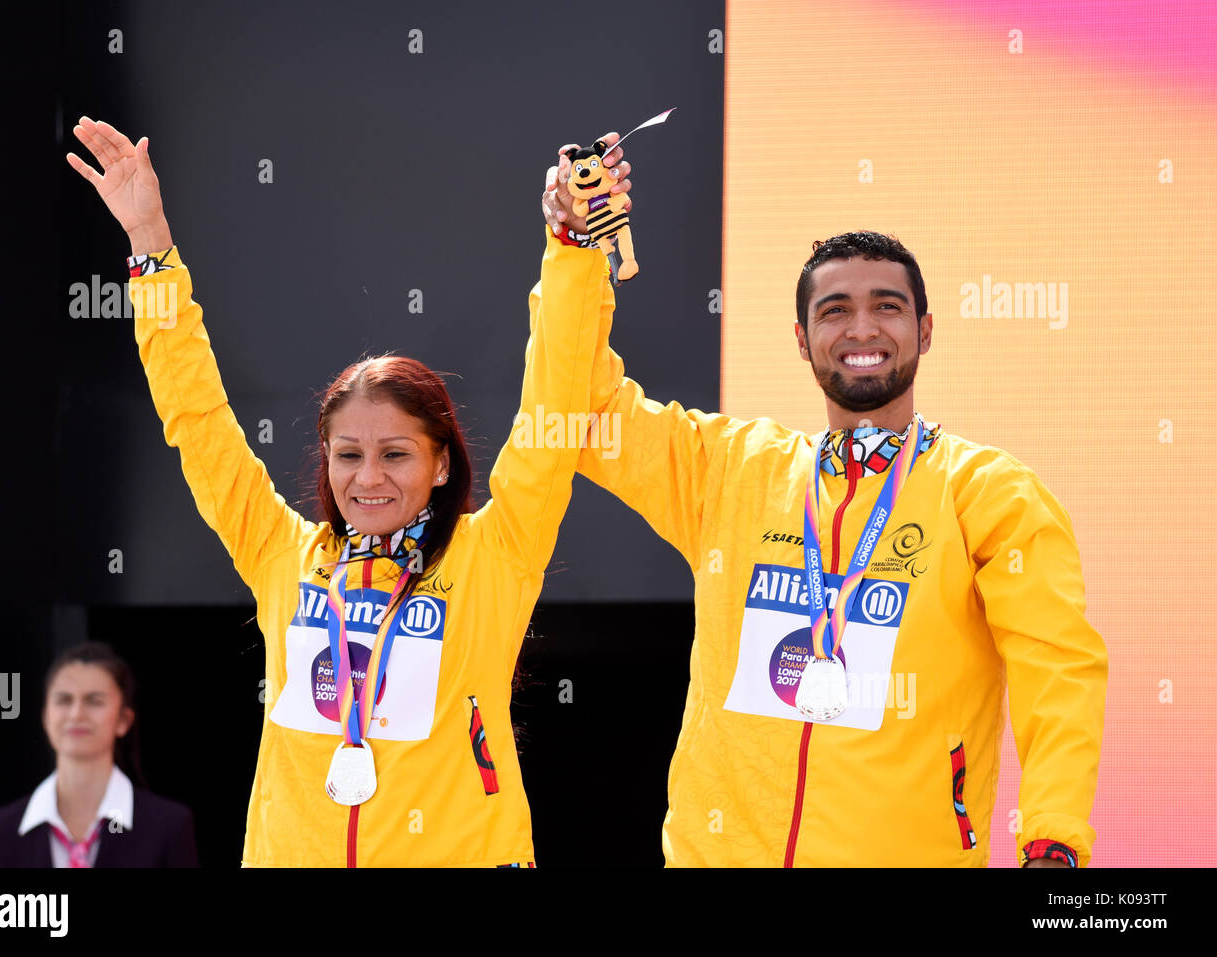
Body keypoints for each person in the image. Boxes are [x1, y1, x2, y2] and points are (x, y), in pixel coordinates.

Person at [64, 117, 632, 866]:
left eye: (396, 453)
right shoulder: (283, 555)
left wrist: (571, 251)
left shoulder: (496, 553)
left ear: (439, 463)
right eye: (349, 454)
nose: (368, 477)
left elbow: (555, 403)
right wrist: (150, 244)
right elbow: (195, 418)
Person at [540, 158, 1108, 867]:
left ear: (925, 330)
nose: (860, 328)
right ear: (803, 339)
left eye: (887, 306)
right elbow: (586, 411)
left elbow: (1057, 669)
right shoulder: (735, 470)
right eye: (834, 310)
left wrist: (1052, 838)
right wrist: (572, 251)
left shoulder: (988, 492)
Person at [0, 641, 198, 867]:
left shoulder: (168, 827)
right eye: (64, 700)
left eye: (94, 701)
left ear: (123, 720)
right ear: (45, 717)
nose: (76, 714)